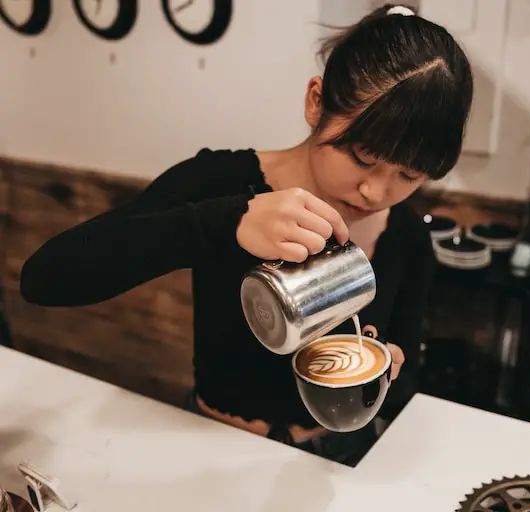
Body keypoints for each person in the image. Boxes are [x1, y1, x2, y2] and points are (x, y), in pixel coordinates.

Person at [19, 3, 473, 467]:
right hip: (211, 443)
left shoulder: (406, 238)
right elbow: (46, 279)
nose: (375, 191)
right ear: (316, 101)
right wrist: (225, 222)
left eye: (410, 175)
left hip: (333, 455)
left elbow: (407, 377)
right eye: (361, 156)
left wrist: (386, 371)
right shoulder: (220, 183)